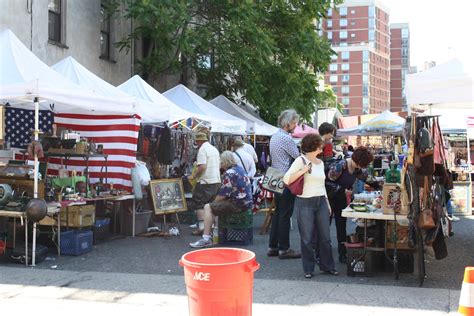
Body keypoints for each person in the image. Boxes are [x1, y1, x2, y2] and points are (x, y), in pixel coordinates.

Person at [284, 134, 338, 278]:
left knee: (325, 237)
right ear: (314, 146)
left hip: (320, 200)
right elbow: (287, 179)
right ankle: (308, 268)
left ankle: (327, 266)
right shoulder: (300, 160)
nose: (322, 146)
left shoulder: (320, 163)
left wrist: (326, 202)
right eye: (320, 144)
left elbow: (322, 185)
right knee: (307, 238)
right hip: (305, 202)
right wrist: (303, 170)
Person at [190, 151, 253, 248]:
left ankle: (206, 238)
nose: (220, 164)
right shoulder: (240, 169)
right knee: (216, 206)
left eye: (221, 162)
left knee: (208, 207)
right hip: (247, 203)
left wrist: (213, 204)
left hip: (237, 205)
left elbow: (223, 195)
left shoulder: (229, 173)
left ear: (224, 162)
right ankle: (215, 231)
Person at [326, 146, 374, 263]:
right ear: (356, 160)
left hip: (340, 198)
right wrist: (342, 190)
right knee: (325, 226)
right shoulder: (340, 166)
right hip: (328, 199)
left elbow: (367, 179)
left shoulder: (357, 169)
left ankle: (342, 254)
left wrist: (380, 184)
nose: (362, 167)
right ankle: (320, 254)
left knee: (341, 226)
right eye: (362, 165)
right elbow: (326, 182)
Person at [268, 109, 301, 259]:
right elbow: (298, 157)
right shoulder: (286, 139)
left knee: (278, 213)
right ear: (287, 123)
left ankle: (273, 246)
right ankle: (284, 248)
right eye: (294, 123)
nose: (296, 126)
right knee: (285, 214)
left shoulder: (274, 136)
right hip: (286, 178)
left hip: (275, 177)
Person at [187, 132, 221, 234]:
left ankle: (202, 228)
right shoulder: (214, 149)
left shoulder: (202, 150)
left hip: (205, 181)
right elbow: (219, 166)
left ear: (199, 141)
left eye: (197, 141)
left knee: (199, 204)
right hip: (216, 180)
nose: (196, 143)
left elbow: (202, 166)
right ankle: (212, 228)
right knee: (211, 205)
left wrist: (194, 175)